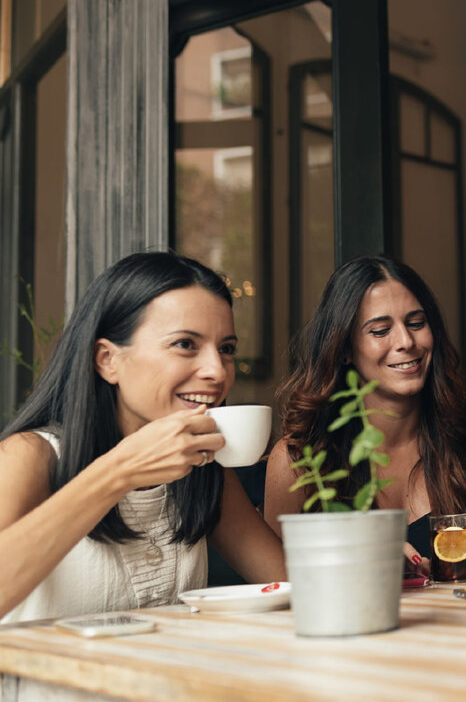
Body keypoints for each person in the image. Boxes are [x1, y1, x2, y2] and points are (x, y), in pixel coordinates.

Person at [0, 252, 285, 623]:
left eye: (226, 349)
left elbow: (286, 583)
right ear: (107, 360)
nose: (217, 370)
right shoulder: (30, 455)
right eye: (185, 344)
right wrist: (120, 471)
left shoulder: (202, 466)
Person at [263, 256, 466, 576]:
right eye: (381, 330)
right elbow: (278, 590)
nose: (406, 342)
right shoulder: (296, 459)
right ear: (343, 348)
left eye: (416, 323)